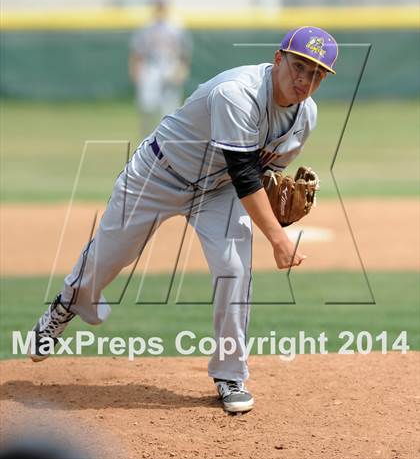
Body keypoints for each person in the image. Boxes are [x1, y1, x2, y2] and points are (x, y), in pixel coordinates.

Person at [29, 26, 338, 414]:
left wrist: (274, 193)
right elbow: (245, 176)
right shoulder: (237, 94)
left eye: (316, 74)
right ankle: (65, 305)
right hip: (158, 173)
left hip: (217, 190)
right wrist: (277, 237)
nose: (304, 80)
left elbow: (262, 173)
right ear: (278, 59)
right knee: (109, 258)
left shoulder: (305, 117)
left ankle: (230, 373)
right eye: (299, 67)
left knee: (233, 269)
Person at [129, 0, 192, 135]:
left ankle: (168, 139)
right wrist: (135, 71)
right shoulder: (147, 26)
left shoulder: (176, 26)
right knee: (147, 106)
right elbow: (138, 52)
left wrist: (182, 69)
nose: (160, 8)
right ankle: (145, 137)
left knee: (170, 107)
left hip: (170, 65)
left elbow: (184, 52)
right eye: (158, 5)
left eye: (163, 5)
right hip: (152, 66)